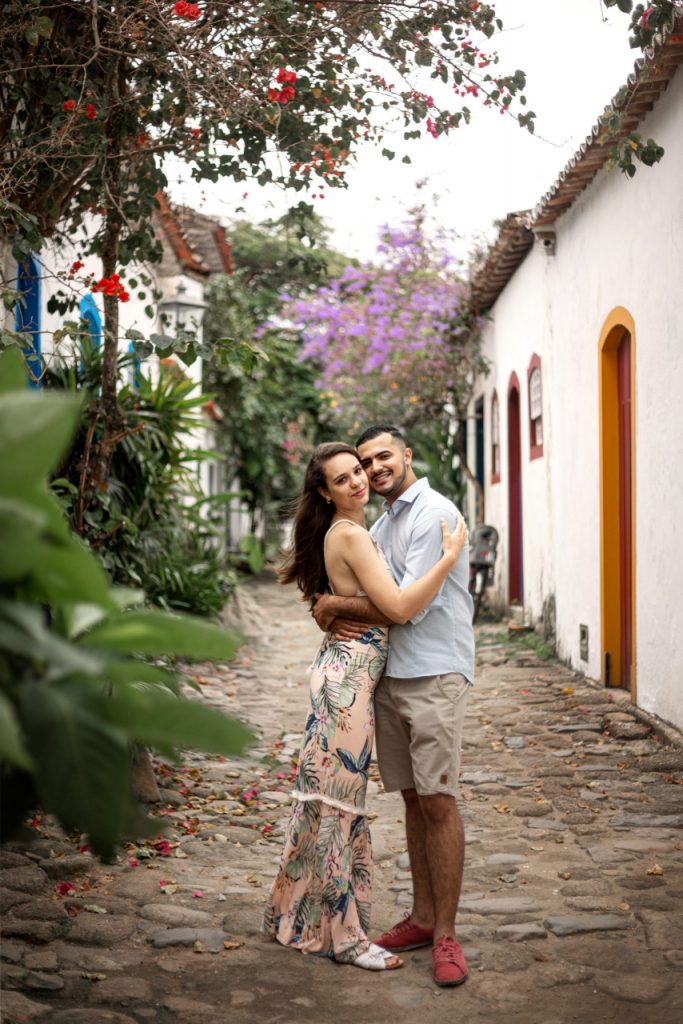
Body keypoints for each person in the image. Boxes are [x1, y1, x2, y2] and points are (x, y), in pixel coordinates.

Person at [263, 441, 468, 972]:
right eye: (347, 476)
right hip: (352, 679)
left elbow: (384, 604)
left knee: (333, 800)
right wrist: (448, 559)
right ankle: (344, 936)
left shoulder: (408, 519)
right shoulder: (355, 532)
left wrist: (330, 602)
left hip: (371, 674)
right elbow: (397, 606)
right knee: (339, 804)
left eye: (363, 469)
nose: (361, 479)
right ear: (325, 493)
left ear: (405, 454)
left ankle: (298, 916)